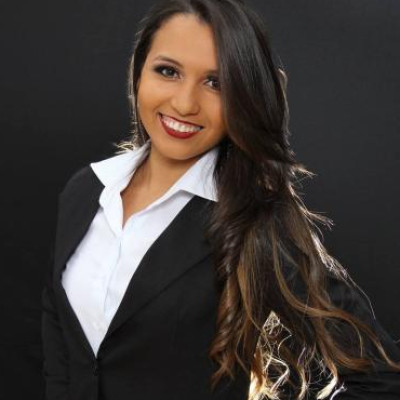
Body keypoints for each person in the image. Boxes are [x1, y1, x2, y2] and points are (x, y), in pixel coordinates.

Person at [41, 0, 400, 399]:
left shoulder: (257, 221)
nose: (184, 103)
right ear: (138, 71)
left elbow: (382, 379)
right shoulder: (85, 189)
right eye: (168, 71)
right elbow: (63, 348)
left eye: (216, 83)